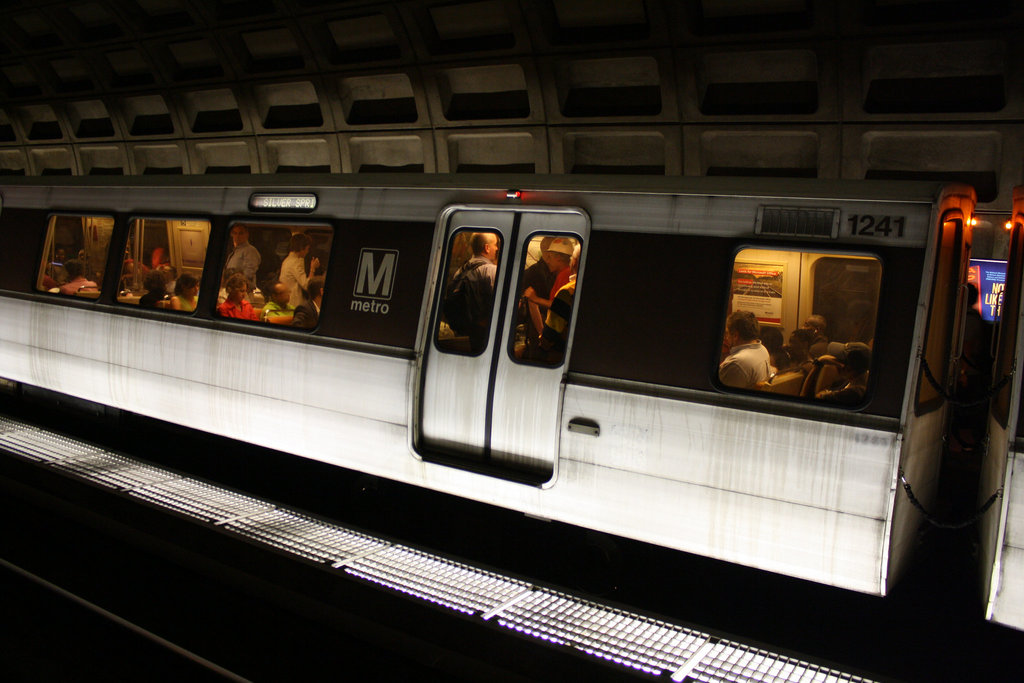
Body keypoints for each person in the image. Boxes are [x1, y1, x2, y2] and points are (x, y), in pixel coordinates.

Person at [443, 232, 499, 352]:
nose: (497, 248)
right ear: (487, 248)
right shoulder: (491, 271)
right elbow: (500, 302)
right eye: (495, 245)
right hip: (486, 330)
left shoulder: (461, 270)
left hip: (468, 329)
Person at [521, 237, 575, 340]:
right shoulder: (563, 274)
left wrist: (535, 299)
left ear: (558, 257)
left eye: (550, 257)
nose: (548, 261)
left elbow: (560, 306)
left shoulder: (565, 275)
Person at [537, 244, 580, 361]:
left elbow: (551, 333)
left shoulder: (568, 291)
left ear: (574, 262)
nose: (547, 261)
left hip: (559, 354)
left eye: (550, 257)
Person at [719, 310, 771, 388]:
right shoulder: (763, 349)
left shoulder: (736, 363)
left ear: (735, 336)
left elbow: (722, 396)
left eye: (727, 333)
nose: (725, 337)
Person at [280, 233, 320, 308]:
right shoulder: (295, 263)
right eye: (307, 249)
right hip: (295, 303)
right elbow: (307, 285)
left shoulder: (287, 260)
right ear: (302, 248)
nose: (307, 252)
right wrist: (313, 268)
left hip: (288, 301)